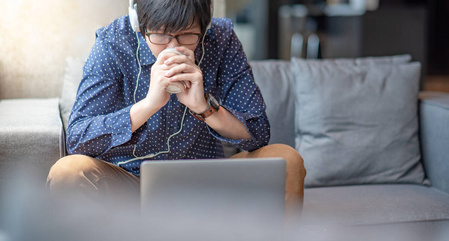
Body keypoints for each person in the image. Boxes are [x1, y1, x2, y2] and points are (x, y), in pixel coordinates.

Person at [47, 0, 306, 213]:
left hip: (205, 181)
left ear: (205, 28)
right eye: (159, 35)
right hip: (128, 182)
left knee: (287, 160)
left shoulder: (222, 38)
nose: (173, 47)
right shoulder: (114, 42)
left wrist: (204, 107)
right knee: (68, 171)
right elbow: (79, 139)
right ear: (139, 24)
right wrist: (148, 105)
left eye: (187, 35)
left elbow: (258, 133)